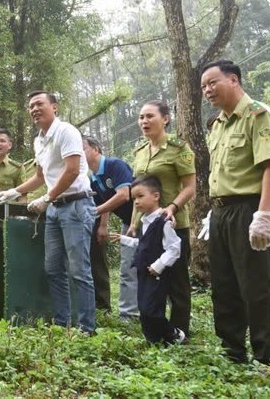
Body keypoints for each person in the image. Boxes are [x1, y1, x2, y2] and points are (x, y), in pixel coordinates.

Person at [0, 91, 96, 334]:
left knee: (79, 269)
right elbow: (40, 176)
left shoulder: (67, 131)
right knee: (53, 269)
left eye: (39, 104)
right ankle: (62, 324)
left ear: (54, 107)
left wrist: (46, 197)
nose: (34, 109)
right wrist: (12, 192)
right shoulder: (38, 140)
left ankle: (87, 328)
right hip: (55, 210)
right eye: (30, 106)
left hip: (76, 205)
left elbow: (71, 171)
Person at [202, 59, 270, 364]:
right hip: (221, 213)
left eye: (213, 82)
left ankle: (266, 358)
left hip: (249, 209)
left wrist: (264, 216)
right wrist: (213, 211)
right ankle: (232, 351)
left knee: (256, 286)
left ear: (234, 80)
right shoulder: (218, 124)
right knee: (223, 285)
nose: (207, 90)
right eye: (203, 87)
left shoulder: (259, 116)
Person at [204, 112, 270, 348]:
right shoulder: (220, 153)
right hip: (238, 217)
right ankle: (243, 340)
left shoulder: (256, 134)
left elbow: (269, 177)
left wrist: (263, 217)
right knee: (240, 280)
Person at [129, 100, 195, 338]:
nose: (144, 121)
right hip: (147, 225)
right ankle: (157, 328)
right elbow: (138, 191)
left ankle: (180, 331)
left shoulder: (179, 149)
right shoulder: (139, 152)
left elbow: (190, 187)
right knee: (150, 274)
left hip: (172, 223)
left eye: (149, 116)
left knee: (177, 280)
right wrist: (134, 222)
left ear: (165, 118)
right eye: (141, 117)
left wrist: (172, 207)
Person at [111, 175, 185, 344]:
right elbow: (144, 244)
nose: (136, 202)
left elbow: (175, 247)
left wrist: (159, 265)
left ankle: (174, 333)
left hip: (157, 274)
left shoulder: (163, 221)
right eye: (134, 198)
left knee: (152, 310)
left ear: (156, 196)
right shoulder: (144, 221)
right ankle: (154, 340)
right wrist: (124, 239)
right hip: (143, 271)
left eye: (140, 196)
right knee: (144, 309)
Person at [83, 136, 138, 319]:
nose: (79, 153)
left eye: (82, 148)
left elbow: (123, 195)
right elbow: (105, 201)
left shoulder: (115, 165)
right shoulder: (92, 177)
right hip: (127, 222)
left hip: (145, 219)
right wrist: (103, 225)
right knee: (128, 268)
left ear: (96, 149)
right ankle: (129, 315)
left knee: (155, 265)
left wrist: (96, 211)